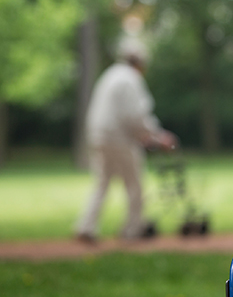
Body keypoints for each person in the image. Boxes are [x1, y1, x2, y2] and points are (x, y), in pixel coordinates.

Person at [74, 37, 177, 244]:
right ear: (140, 62)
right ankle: (132, 230)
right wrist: (158, 136)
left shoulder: (111, 74)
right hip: (119, 139)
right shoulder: (131, 79)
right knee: (135, 184)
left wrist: (147, 136)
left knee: (102, 182)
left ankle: (86, 226)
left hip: (98, 136)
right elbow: (136, 116)